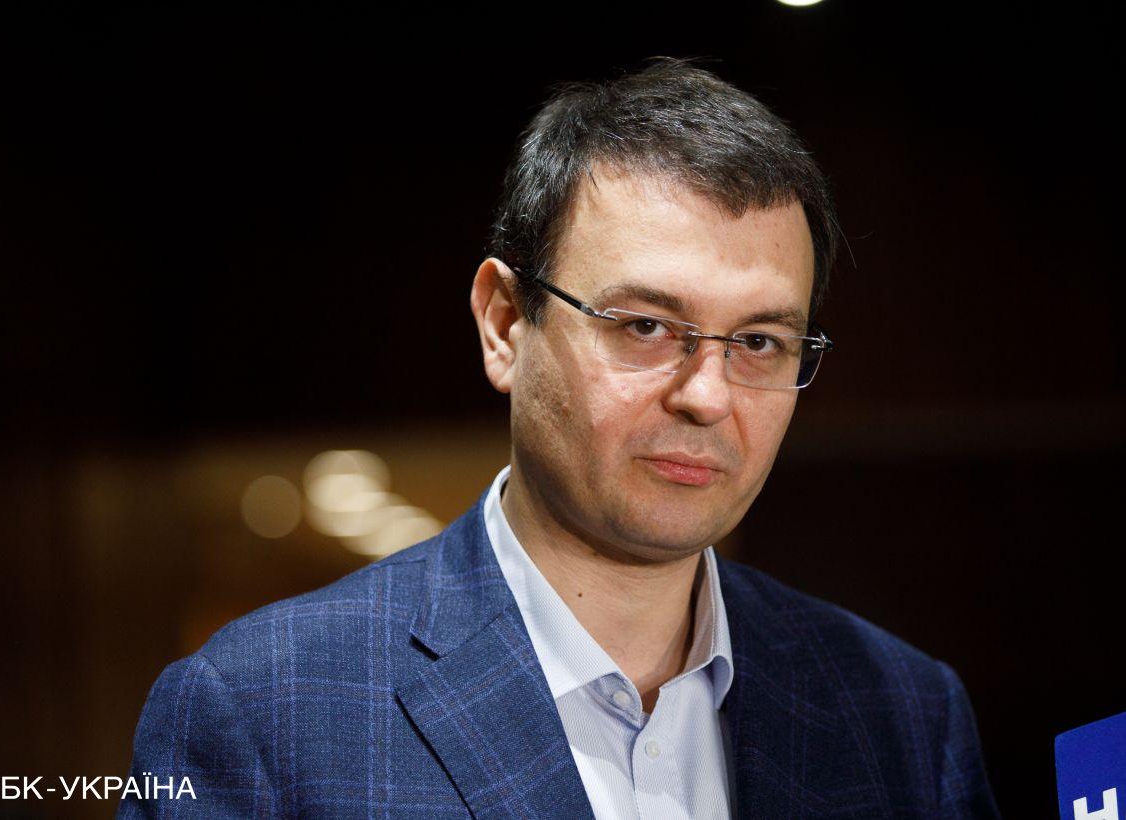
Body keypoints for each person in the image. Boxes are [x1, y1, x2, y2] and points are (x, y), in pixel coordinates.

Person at [121, 59, 999, 818]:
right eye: (646, 326)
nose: (707, 395)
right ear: (505, 324)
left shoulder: (906, 714)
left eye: (761, 342)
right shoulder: (263, 712)